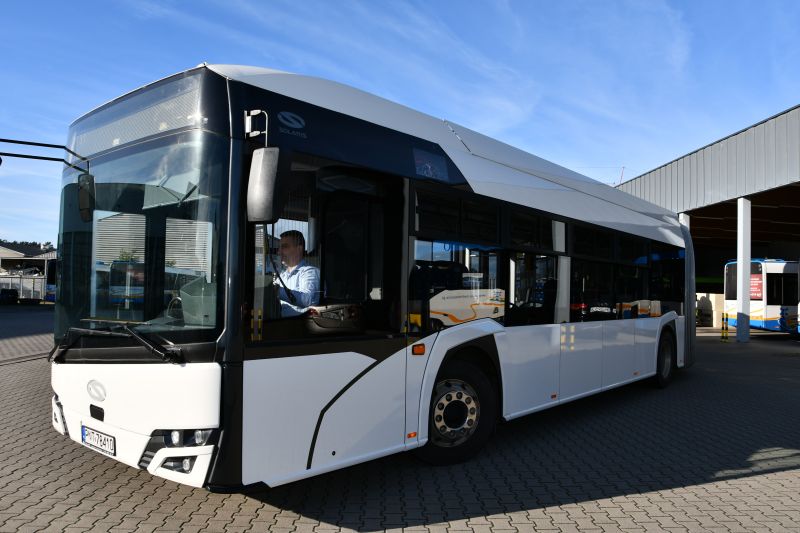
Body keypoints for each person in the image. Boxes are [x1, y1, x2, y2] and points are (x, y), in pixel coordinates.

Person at [275, 230, 320, 317]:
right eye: (279, 248)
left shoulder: (310, 272)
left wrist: (277, 291)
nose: (279, 252)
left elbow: (307, 300)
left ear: (299, 249)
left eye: (284, 247)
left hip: (301, 324)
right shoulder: (283, 276)